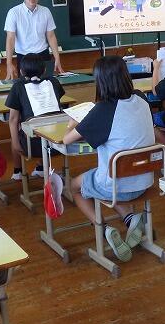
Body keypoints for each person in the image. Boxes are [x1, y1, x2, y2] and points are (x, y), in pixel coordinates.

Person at [62, 56, 154, 263]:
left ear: (101, 81)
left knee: (74, 187)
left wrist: (72, 123)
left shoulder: (104, 109)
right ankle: (130, 219)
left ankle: (104, 229)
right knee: (110, 178)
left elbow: (67, 140)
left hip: (116, 186)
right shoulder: (142, 99)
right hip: (144, 181)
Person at [5, 53, 65, 181]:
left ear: (21, 71)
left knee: (20, 130)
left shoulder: (18, 87)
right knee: (46, 123)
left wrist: (15, 143)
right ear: (44, 70)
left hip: (30, 146)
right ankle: (41, 168)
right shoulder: (54, 82)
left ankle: (18, 172)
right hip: (58, 143)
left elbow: (13, 120)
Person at [4, 0, 64, 80]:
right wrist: (9, 63)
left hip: (43, 55)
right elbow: (10, 39)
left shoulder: (45, 11)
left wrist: (57, 58)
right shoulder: (13, 12)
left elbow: (51, 36)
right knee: (26, 87)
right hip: (24, 58)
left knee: (48, 86)